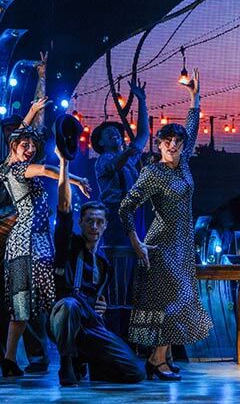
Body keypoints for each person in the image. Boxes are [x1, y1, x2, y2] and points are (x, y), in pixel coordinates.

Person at [119, 69, 212, 381]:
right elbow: (125, 208)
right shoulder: (153, 173)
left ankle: (163, 358)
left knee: (177, 301)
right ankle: (156, 360)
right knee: (173, 302)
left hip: (183, 245)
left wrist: (194, 97)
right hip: (161, 246)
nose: (173, 145)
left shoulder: (183, 163)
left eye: (177, 141)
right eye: (167, 141)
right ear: (158, 144)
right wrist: (136, 242)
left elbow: (192, 127)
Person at [0, 99, 91, 377]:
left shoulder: (9, 165)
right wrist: (76, 180)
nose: (28, 150)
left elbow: (22, 137)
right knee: (27, 303)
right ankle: (53, 356)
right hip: (25, 242)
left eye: (32, 146)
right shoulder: (14, 169)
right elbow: (48, 171)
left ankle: (13, 359)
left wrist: (33, 112)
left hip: (36, 240)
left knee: (30, 305)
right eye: (23, 146)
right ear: (13, 148)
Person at [50, 140, 144, 386]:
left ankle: (86, 360)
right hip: (65, 317)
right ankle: (67, 363)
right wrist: (64, 162)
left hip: (90, 322)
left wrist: (100, 305)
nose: (94, 226)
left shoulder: (103, 264)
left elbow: (99, 299)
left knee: (135, 373)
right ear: (81, 223)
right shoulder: (69, 246)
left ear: (105, 225)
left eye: (99, 222)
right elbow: (64, 207)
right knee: (69, 305)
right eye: (89, 221)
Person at [92, 78, 149, 338]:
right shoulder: (103, 161)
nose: (115, 135)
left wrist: (142, 101)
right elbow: (124, 156)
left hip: (134, 213)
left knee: (136, 263)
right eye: (109, 134)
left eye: (116, 132)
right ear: (101, 143)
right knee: (116, 264)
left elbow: (143, 137)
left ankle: (132, 322)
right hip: (115, 216)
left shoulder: (126, 158)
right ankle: (113, 324)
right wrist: (131, 148)